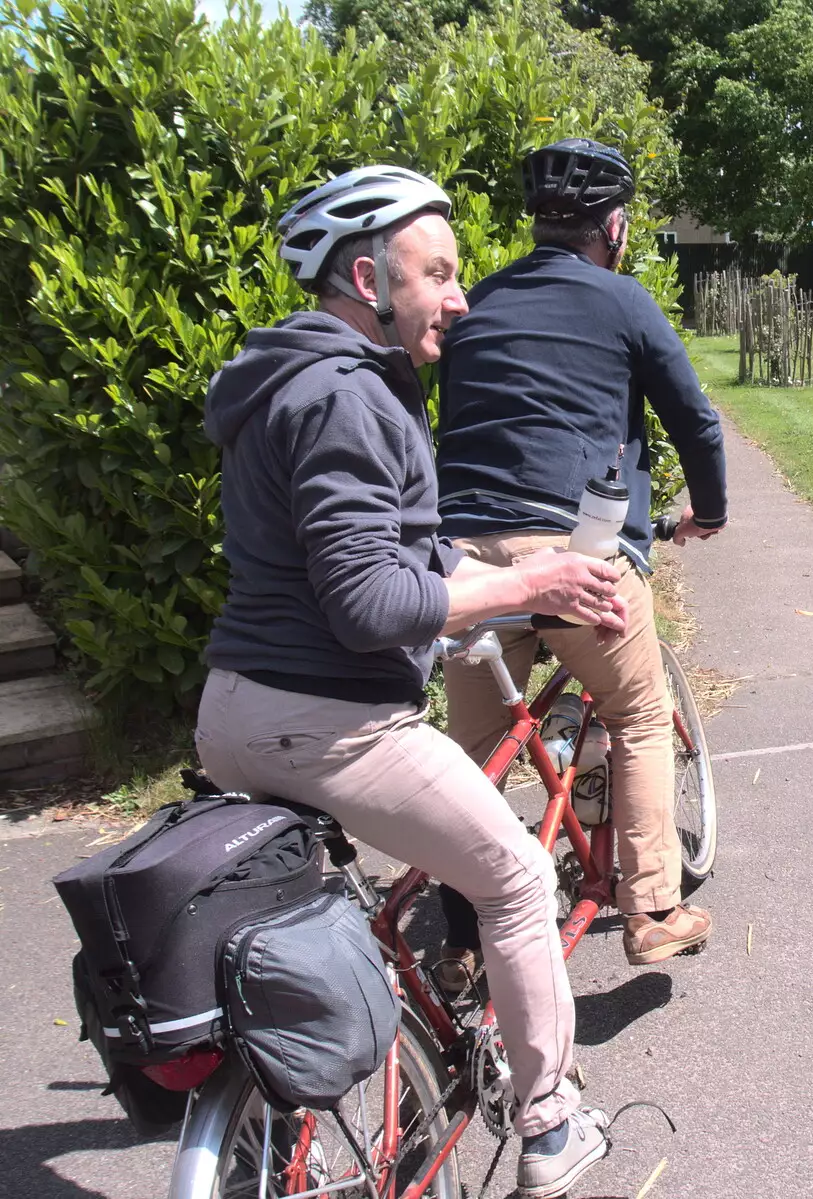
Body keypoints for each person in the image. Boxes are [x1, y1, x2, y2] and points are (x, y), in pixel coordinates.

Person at [194, 165, 619, 1199]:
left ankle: (322, 1080)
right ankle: (552, 1124)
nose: (459, 297)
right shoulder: (348, 395)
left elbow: (405, 561)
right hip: (331, 719)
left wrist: (518, 588)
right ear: (365, 274)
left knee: (345, 915)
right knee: (517, 875)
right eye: (439, 273)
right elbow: (370, 602)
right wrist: (529, 576)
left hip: (234, 707)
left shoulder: (286, 377)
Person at [433, 138, 728, 973]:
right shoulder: (622, 300)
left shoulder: (476, 305)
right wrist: (708, 510)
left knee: (471, 759)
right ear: (616, 225)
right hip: (576, 552)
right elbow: (695, 422)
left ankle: (459, 945)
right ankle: (654, 908)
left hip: (471, 564)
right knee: (637, 713)